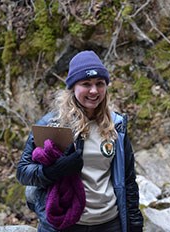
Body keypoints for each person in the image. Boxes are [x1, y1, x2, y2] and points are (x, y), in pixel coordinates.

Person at [16, 50, 144, 232]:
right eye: (86, 84)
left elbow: (128, 180)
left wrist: (135, 224)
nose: (94, 91)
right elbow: (23, 172)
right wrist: (53, 171)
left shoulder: (117, 126)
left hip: (109, 223)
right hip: (65, 224)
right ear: (73, 87)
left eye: (100, 84)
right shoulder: (53, 125)